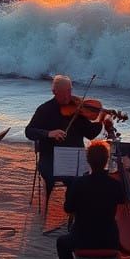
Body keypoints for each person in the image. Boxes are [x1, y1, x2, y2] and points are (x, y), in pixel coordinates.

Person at [56, 140, 126, 259]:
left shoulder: (78, 183)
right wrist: (124, 170)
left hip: (82, 239)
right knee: (114, 234)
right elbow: (124, 199)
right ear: (107, 161)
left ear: (87, 161)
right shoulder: (114, 185)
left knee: (62, 242)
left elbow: (68, 209)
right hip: (108, 240)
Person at [25, 74, 107, 205]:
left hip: (75, 158)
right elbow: (29, 131)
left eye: (70, 91)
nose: (68, 96)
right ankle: (71, 208)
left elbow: (90, 134)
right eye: (64, 93)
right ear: (54, 92)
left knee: (82, 179)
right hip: (50, 159)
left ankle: (74, 211)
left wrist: (102, 120)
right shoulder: (44, 109)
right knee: (74, 180)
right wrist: (49, 133)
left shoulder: (78, 109)